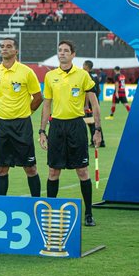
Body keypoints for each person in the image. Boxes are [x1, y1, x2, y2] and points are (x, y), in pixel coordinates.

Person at [39, 40, 102, 227]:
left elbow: (94, 103)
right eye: (60, 50)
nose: (62, 53)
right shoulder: (50, 76)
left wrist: (97, 130)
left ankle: (89, 214)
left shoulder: (83, 76)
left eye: (66, 51)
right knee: (53, 171)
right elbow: (47, 105)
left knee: (82, 171)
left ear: (73, 54)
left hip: (76, 126)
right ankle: (50, 213)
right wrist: (42, 130)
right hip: (56, 126)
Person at [0, 38, 43, 196]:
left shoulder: (26, 72)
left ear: (16, 51)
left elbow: (38, 97)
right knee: (1, 168)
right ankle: (1, 205)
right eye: (2, 46)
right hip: (0, 124)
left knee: (30, 168)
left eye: (9, 46)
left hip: (22, 125)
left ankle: (36, 203)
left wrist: (26, 113)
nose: (4, 49)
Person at [82, 60, 105, 147]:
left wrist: (86, 104)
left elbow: (88, 92)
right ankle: (101, 140)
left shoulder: (87, 75)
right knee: (96, 121)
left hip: (90, 103)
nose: (82, 67)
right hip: (95, 100)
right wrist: (97, 98)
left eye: (83, 65)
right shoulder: (95, 74)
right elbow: (99, 88)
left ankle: (94, 141)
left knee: (91, 121)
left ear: (86, 67)